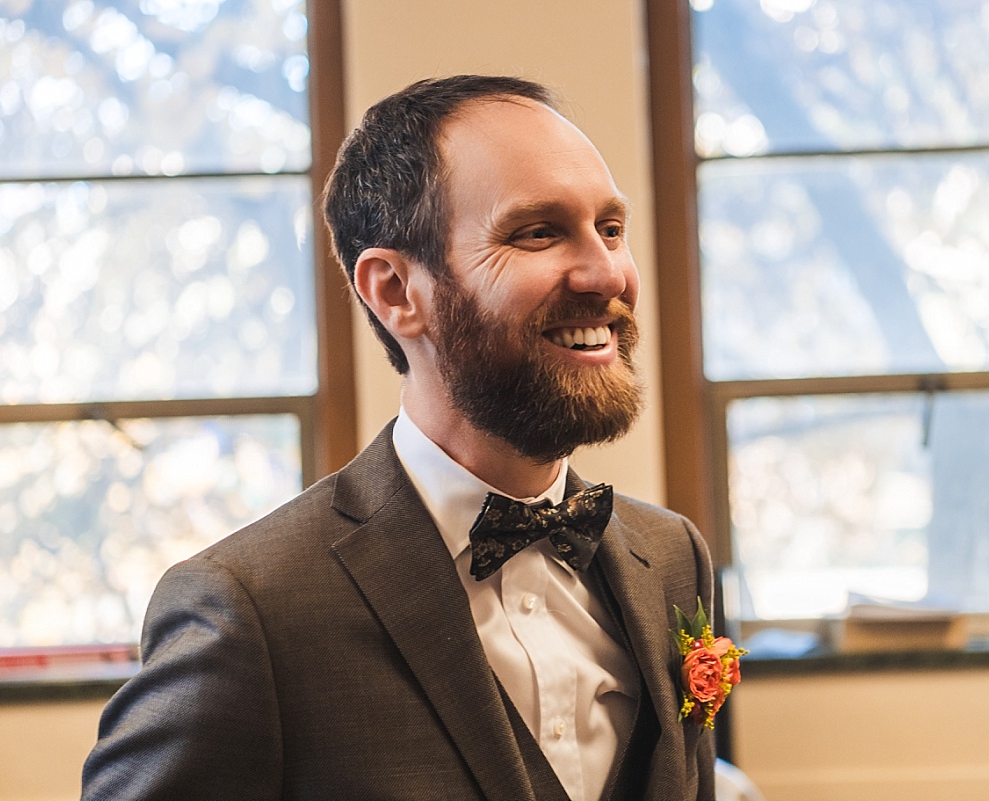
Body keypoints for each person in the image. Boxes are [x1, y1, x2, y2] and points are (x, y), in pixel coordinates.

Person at [81, 74, 716, 801]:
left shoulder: (670, 558)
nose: (609, 271)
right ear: (393, 291)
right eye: (538, 231)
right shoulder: (250, 611)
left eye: (609, 228)